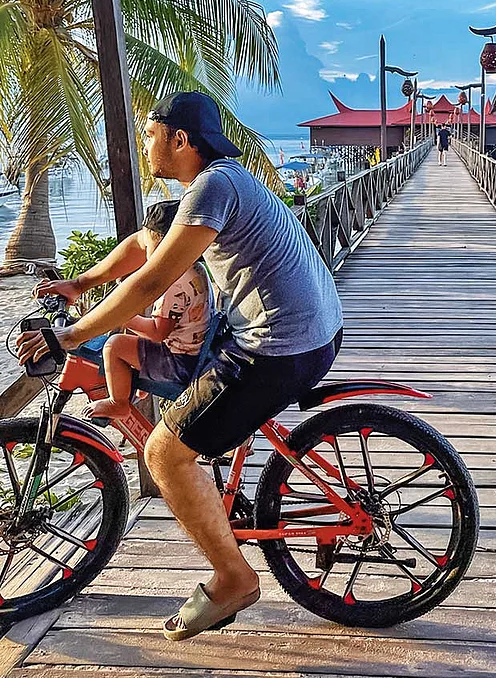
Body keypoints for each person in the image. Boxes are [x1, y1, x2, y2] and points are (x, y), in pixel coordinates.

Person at [16, 91, 343, 641]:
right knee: (193, 411)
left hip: (277, 344)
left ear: (179, 139)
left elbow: (148, 281)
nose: (146, 144)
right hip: (310, 330)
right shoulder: (221, 181)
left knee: (164, 452)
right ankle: (224, 498)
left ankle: (233, 577)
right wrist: (84, 283)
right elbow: (144, 248)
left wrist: (69, 334)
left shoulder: (212, 187)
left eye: (150, 134)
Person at [84, 199, 211, 421]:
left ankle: (118, 403)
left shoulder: (173, 281)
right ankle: (139, 378)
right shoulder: (194, 268)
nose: (145, 252)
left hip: (178, 362)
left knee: (113, 346)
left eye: (148, 247)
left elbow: (157, 332)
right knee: (131, 335)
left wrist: (124, 316)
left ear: (165, 246)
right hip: (196, 348)